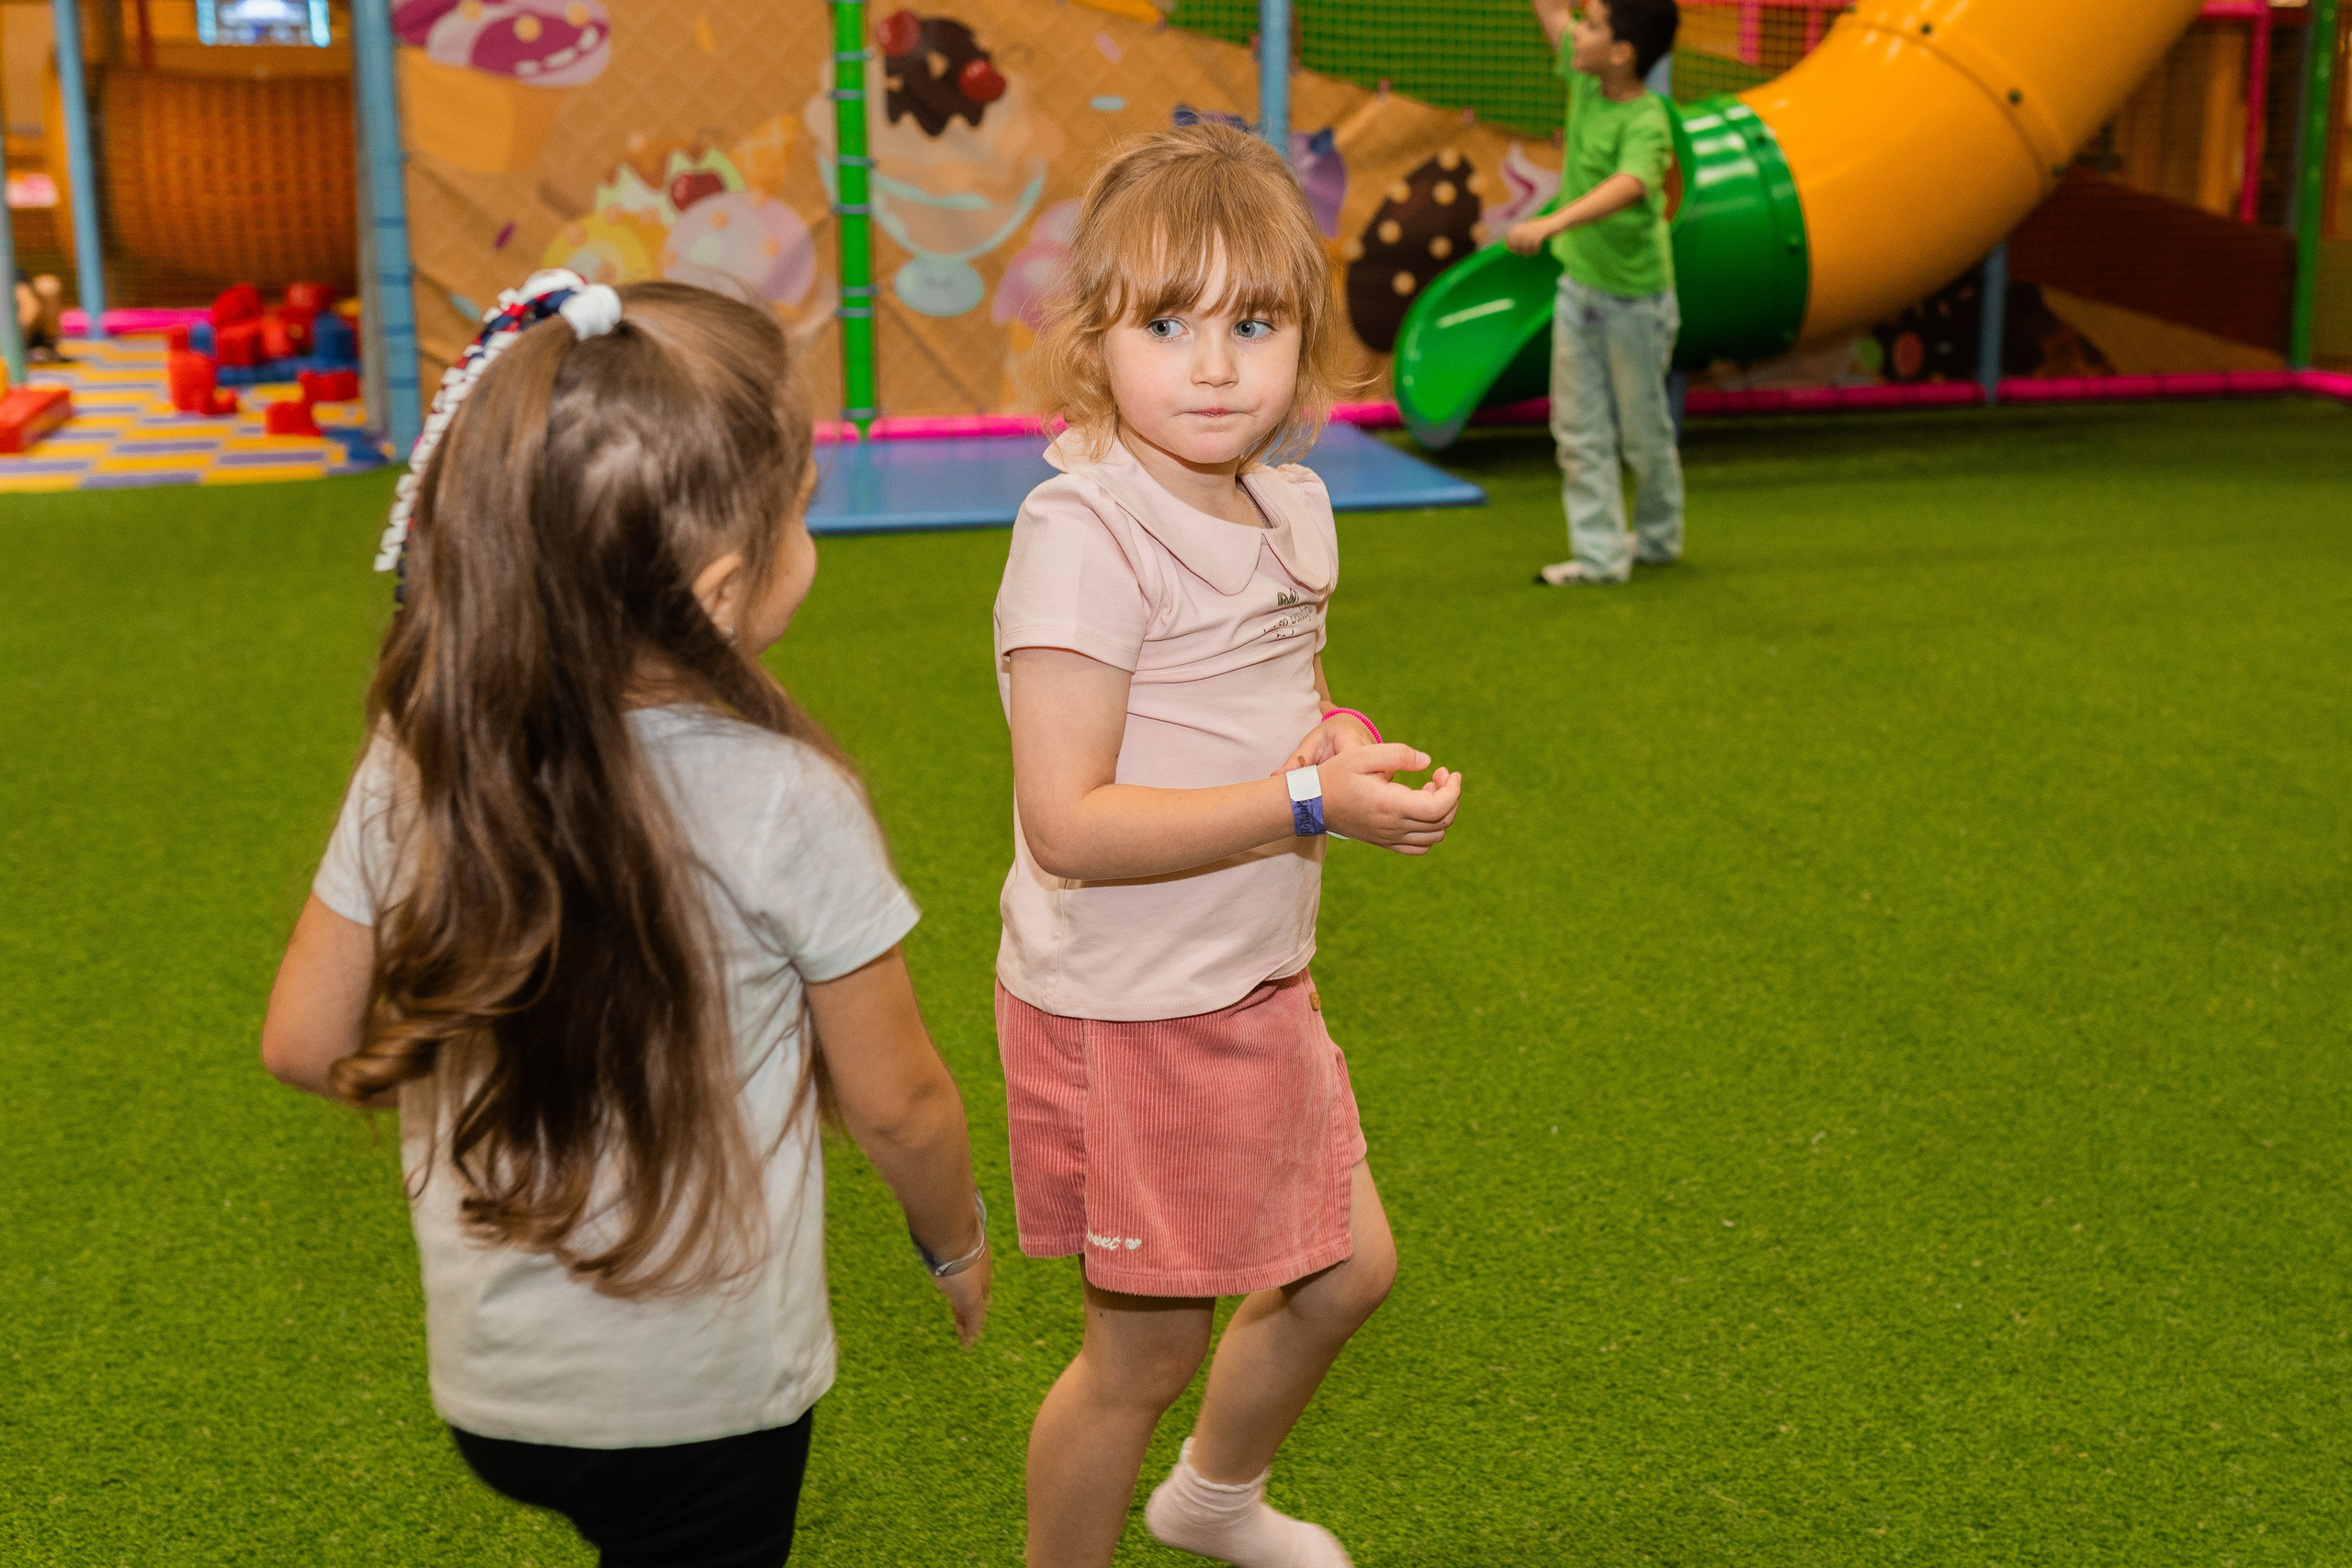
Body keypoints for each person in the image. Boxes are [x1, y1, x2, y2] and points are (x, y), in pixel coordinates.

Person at [259, 274, 989, 1568]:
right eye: (801, 515)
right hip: (709, 1401)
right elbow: (901, 1102)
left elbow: (304, 1040)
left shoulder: (420, 755)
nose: (811, 541)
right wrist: (955, 1243)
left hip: (501, 1390)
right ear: (717, 590)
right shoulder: (789, 798)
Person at [995, 123, 1464, 1568]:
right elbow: (1069, 822)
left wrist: (1334, 739)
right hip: (1129, 1009)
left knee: (1346, 1272)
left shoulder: (1293, 506)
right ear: (1096, 342)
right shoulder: (1087, 535)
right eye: (1169, 323)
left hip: (1253, 976)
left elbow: (1279, 699)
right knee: (1137, 1358)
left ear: (1306, 343)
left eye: (1254, 324)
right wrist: (1308, 804)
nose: (1214, 366)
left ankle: (1211, 1498)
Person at [1510, 0, 1685, 586]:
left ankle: (1659, 537)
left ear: (1622, 52)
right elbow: (1552, 13)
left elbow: (1632, 184)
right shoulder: (1586, 82)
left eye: (1593, 24)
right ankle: (1599, 556)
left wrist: (1552, 222)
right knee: (1578, 426)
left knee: (1642, 430)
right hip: (1578, 289)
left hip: (1637, 302)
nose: (1576, 31)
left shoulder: (1649, 119)